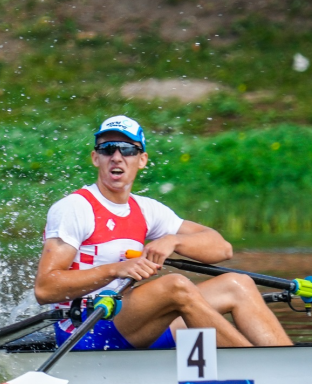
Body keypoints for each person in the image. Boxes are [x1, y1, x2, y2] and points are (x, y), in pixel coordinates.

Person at [33, 116, 292, 350]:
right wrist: (115, 269)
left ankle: (288, 364)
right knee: (175, 286)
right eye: (107, 148)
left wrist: (174, 240)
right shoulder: (75, 208)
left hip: (128, 323)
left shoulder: (146, 210)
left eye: (127, 150)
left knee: (238, 285)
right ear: (95, 158)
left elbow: (222, 249)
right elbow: (45, 289)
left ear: (141, 160)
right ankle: (254, 367)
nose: (116, 157)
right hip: (85, 330)